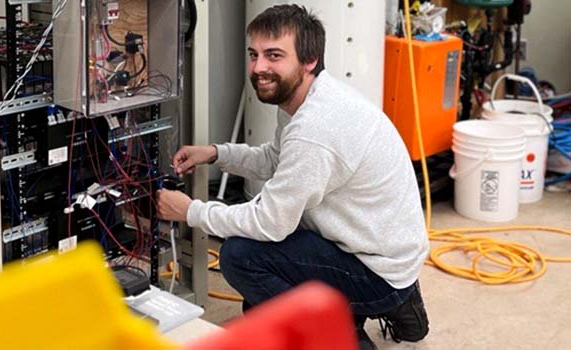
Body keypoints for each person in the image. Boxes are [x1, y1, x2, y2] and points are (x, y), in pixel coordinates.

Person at [155, 5, 430, 349]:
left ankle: (341, 334)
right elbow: (275, 158)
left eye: (274, 55)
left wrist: (191, 211)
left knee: (241, 258)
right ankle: (379, 305)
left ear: (309, 59)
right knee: (258, 305)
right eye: (254, 54)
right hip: (377, 246)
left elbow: (270, 223)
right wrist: (216, 153)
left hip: (378, 270)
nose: (259, 68)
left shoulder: (314, 127)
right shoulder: (311, 98)